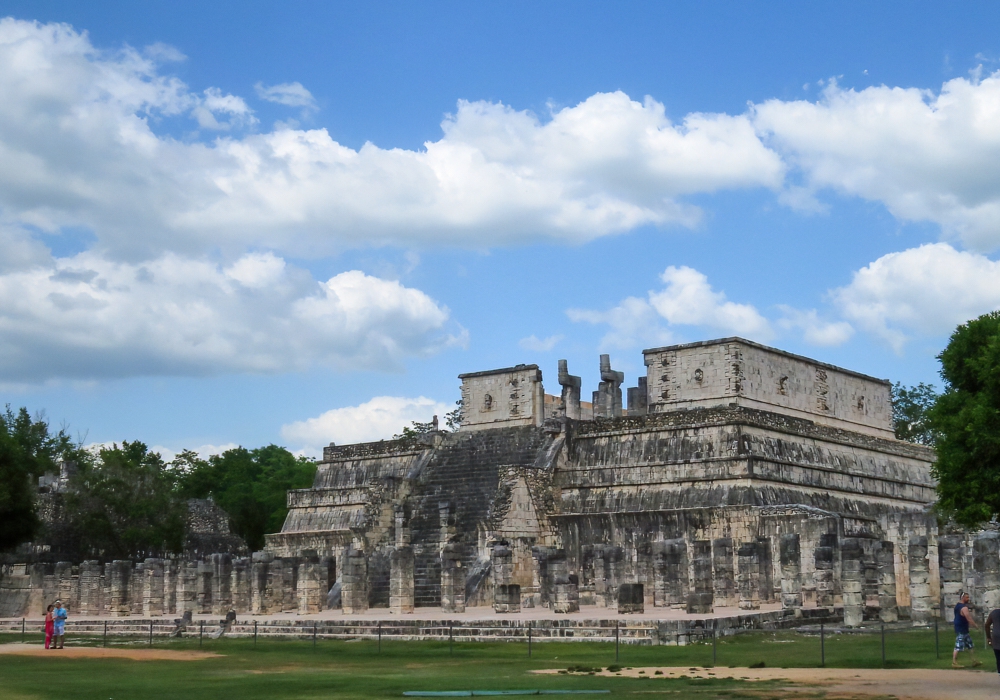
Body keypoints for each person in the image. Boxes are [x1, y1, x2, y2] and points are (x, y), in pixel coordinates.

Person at [954, 592, 982, 668]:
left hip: (962, 628)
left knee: (970, 645)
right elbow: (968, 618)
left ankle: (974, 660)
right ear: (963, 598)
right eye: (967, 597)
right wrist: (976, 626)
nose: (968, 599)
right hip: (961, 628)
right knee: (958, 646)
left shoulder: (957, 606)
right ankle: (954, 662)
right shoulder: (964, 608)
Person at [985, 605, 1000, 675]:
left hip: (996, 636)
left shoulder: (994, 613)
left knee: (998, 656)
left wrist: (988, 637)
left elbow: (987, 625)